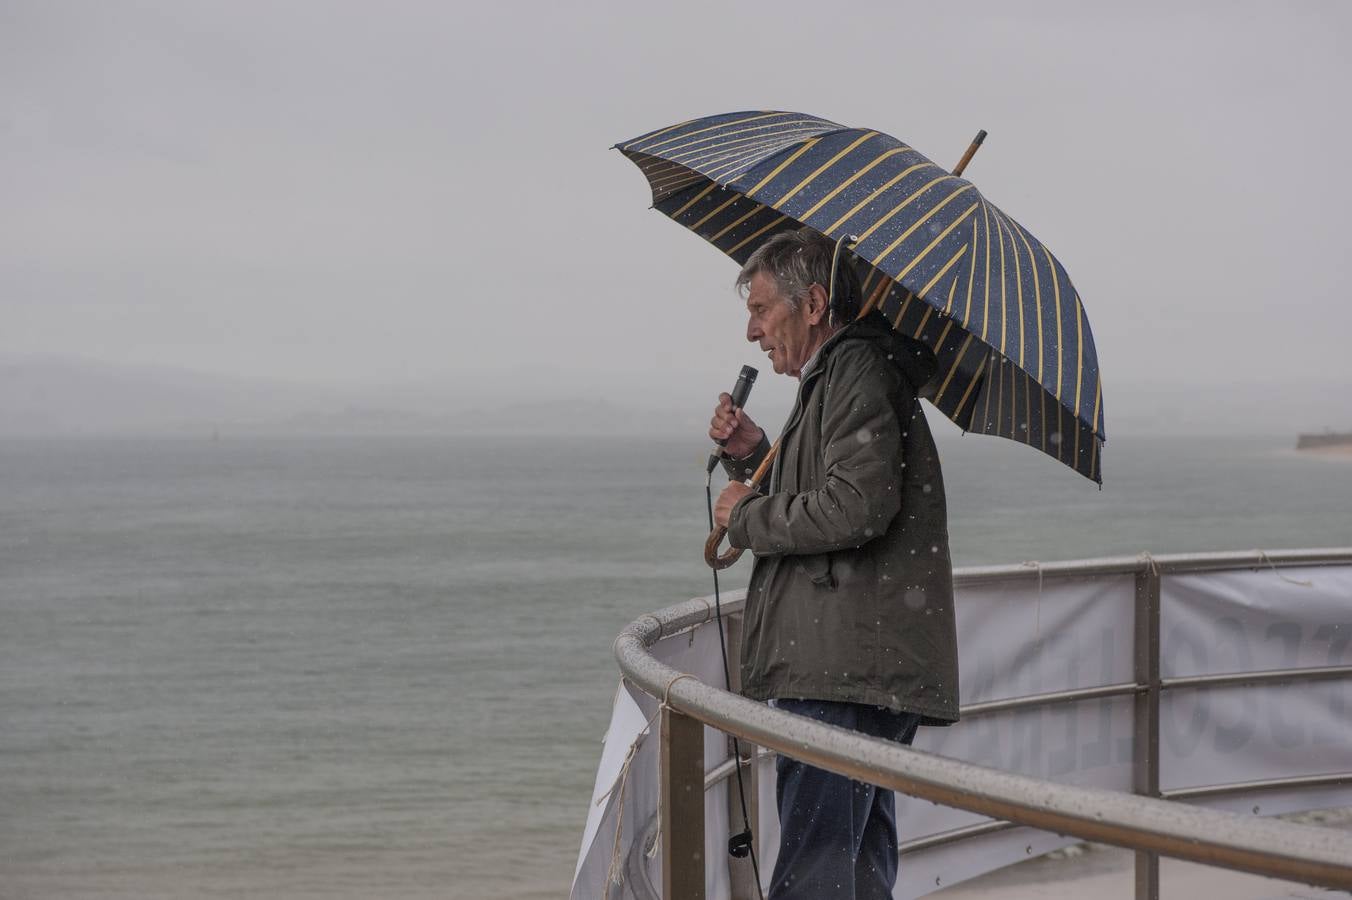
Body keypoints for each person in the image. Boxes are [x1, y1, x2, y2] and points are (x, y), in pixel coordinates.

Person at [709, 227, 960, 900]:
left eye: (762, 310)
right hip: (856, 662)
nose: (753, 332)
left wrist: (744, 516)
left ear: (814, 303)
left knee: (816, 874)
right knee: (857, 863)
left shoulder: (855, 370)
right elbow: (830, 487)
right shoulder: (846, 373)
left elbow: (856, 507)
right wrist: (752, 450)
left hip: (841, 669)